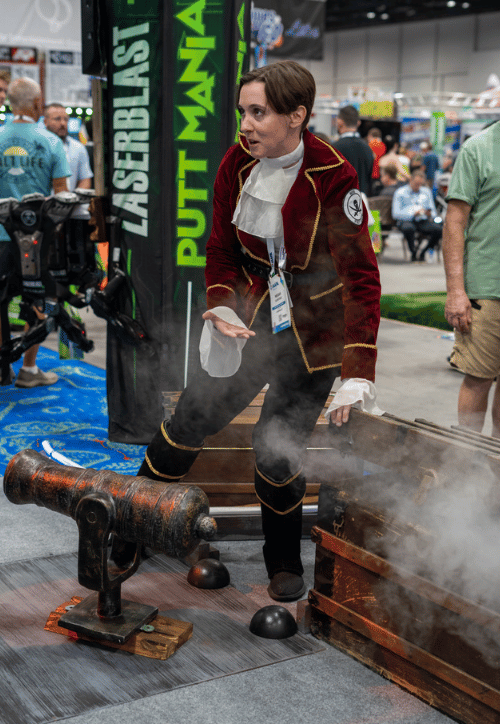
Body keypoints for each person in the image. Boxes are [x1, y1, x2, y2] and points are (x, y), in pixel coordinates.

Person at [126, 62, 381, 603]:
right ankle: (131, 526)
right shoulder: (237, 163)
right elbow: (219, 250)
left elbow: (361, 280)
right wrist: (223, 306)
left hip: (312, 338)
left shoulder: (335, 176)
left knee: (276, 450)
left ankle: (285, 559)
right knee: (192, 416)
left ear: (297, 116)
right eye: (242, 111)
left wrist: (358, 371)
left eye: (258, 112)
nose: (244, 124)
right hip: (250, 323)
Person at [0, 78, 70, 387]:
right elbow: (61, 197)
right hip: (35, 242)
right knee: (34, 299)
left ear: (9, 104)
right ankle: (28, 369)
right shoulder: (52, 142)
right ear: (38, 103)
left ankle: (2, 367)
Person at [443, 121, 500, 437]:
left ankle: (495, 472)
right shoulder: (479, 148)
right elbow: (455, 221)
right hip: (487, 288)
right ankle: (467, 464)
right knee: (478, 379)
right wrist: (455, 290)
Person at [44, 103, 93, 218]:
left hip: (71, 211)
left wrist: (73, 200)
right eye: (57, 119)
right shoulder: (39, 147)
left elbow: (85, 179)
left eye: (66, 119)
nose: (62, 123)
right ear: (45, 121)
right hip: (44, 209)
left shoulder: (78, 148)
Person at [392, 168, 442, 261]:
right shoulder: (400, 192)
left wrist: (429, 214)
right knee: (409, 228)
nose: (418, 186)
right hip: (407, 220)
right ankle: (413, 252)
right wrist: (412, 214)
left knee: (438, 230)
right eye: (416, 184)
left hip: (423, 219)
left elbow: (433, 211)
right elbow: (396, 213)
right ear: (411, 180)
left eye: (420, 184)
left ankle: (423, 252)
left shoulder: (426, 192)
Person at [333, 105, 374, 196]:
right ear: (358, 123)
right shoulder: (367, 148)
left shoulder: (334, 148)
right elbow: (369, 180)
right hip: (360, 203)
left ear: (340, 122)